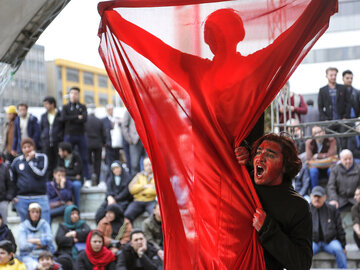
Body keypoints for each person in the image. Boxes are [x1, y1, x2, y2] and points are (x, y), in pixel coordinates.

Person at [100, 1, 338, 268]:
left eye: (217, 33)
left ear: (233, 37)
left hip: (234, 172)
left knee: (225, 245)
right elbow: (156, 49)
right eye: (213, 35)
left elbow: (291, 40)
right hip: (215, 174)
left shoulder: (212, 70)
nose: (215, 40)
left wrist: (117, 23)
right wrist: (117, 23)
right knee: (216, 245)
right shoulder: (233, 69)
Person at [244, 133, 312, 270]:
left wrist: (268, 229)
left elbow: (302, 264)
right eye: (258, 152)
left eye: (270, 154)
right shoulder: (243, 181)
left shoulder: (297, 206)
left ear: (285, 166)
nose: (260, 158)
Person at [11, 137, 50, 224]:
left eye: (29, 146)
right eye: (24, 147)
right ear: (21, 149)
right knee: (25, 224)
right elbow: (13, 180)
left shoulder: (42, 158)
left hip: (40, 196)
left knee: (45, 223)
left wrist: (30, 161)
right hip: (22, 198)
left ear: (33, 147)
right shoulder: (16, 161)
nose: (27, 149)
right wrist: (13, 196)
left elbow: (41, 173)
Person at [310, 186, 347, 269]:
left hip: (330, 242)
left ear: (325, 197)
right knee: (304, 252)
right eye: (315, 196)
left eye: (319, 197)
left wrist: (343, 246)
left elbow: (339, 228)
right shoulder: (306, 210)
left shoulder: (332, 209)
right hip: (313, 242)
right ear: (311, 196)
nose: (317, 199)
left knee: (338, 249)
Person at [61, 87, 90, 181]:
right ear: (69, 94)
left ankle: (86, 177)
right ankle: (66, 176)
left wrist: (72, 118)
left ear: (79, 95)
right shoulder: (65, 107)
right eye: (72, 93)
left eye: (76, 93)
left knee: (84, 157)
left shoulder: (82, 107)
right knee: (66, 156)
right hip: (69, 135)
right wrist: (77, 116)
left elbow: (84, 118)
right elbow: (64, 118)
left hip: (81, 135)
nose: (74, 95)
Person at [18, 203, 55, 270]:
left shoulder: (44, 224)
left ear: (40, 213)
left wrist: (34, 241)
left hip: (45, 254)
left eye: (37, 212)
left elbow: (50, 239)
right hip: (28, 256)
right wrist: (39, 244)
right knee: (34, 267)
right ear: (29, 213)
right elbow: (23, 245)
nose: (35, 214)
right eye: (33, 212)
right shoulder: (23, 226)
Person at [124, 158, 156, 223]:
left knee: (155, 215)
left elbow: (155, 191)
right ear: (143, 166)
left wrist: (140, 191)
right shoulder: (139, 176)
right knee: (127, 214)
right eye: (146, 165)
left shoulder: (156, 176)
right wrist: (144, 186)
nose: (148, 167)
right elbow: (131, 189)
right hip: (138, 201)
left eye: (150, 165)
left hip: (151, 201)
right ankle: (131, 232)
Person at [40, 96, 64, 180]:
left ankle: (58, 180)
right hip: (46, 143)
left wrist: (60, 137)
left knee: (58, 162)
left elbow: (63, 128)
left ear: (52, 104)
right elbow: (42, 128)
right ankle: (48, 182)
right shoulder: (43, 116)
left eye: (46, 104)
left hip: (58, 143)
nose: (45, 106)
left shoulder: (60, 114)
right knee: (47, 163)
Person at [85, 104, 107, 186]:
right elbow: (104, 134)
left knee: (88, 162)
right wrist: (104, 143)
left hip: (88, 144)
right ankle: (97, 180)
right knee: (98, 163)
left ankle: (89, 178)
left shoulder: (85, 120)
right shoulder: (99, 121)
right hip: (98, 144)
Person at [57, 142, 83, 207]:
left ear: (65, 152)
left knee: (76, 185)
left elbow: (77, 171)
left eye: (60, 151)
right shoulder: (60, 159)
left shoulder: (76, 157)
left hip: (76, 181)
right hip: (65, 179)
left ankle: (76, 207)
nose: (59, 153)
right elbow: (59, 171)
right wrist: (73, 176)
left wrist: (66, 174)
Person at [0, 153, 14, 224]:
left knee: (3, 225)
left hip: (2, 201)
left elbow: (10, 184)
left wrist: (8, 198)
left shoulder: (5, 168)